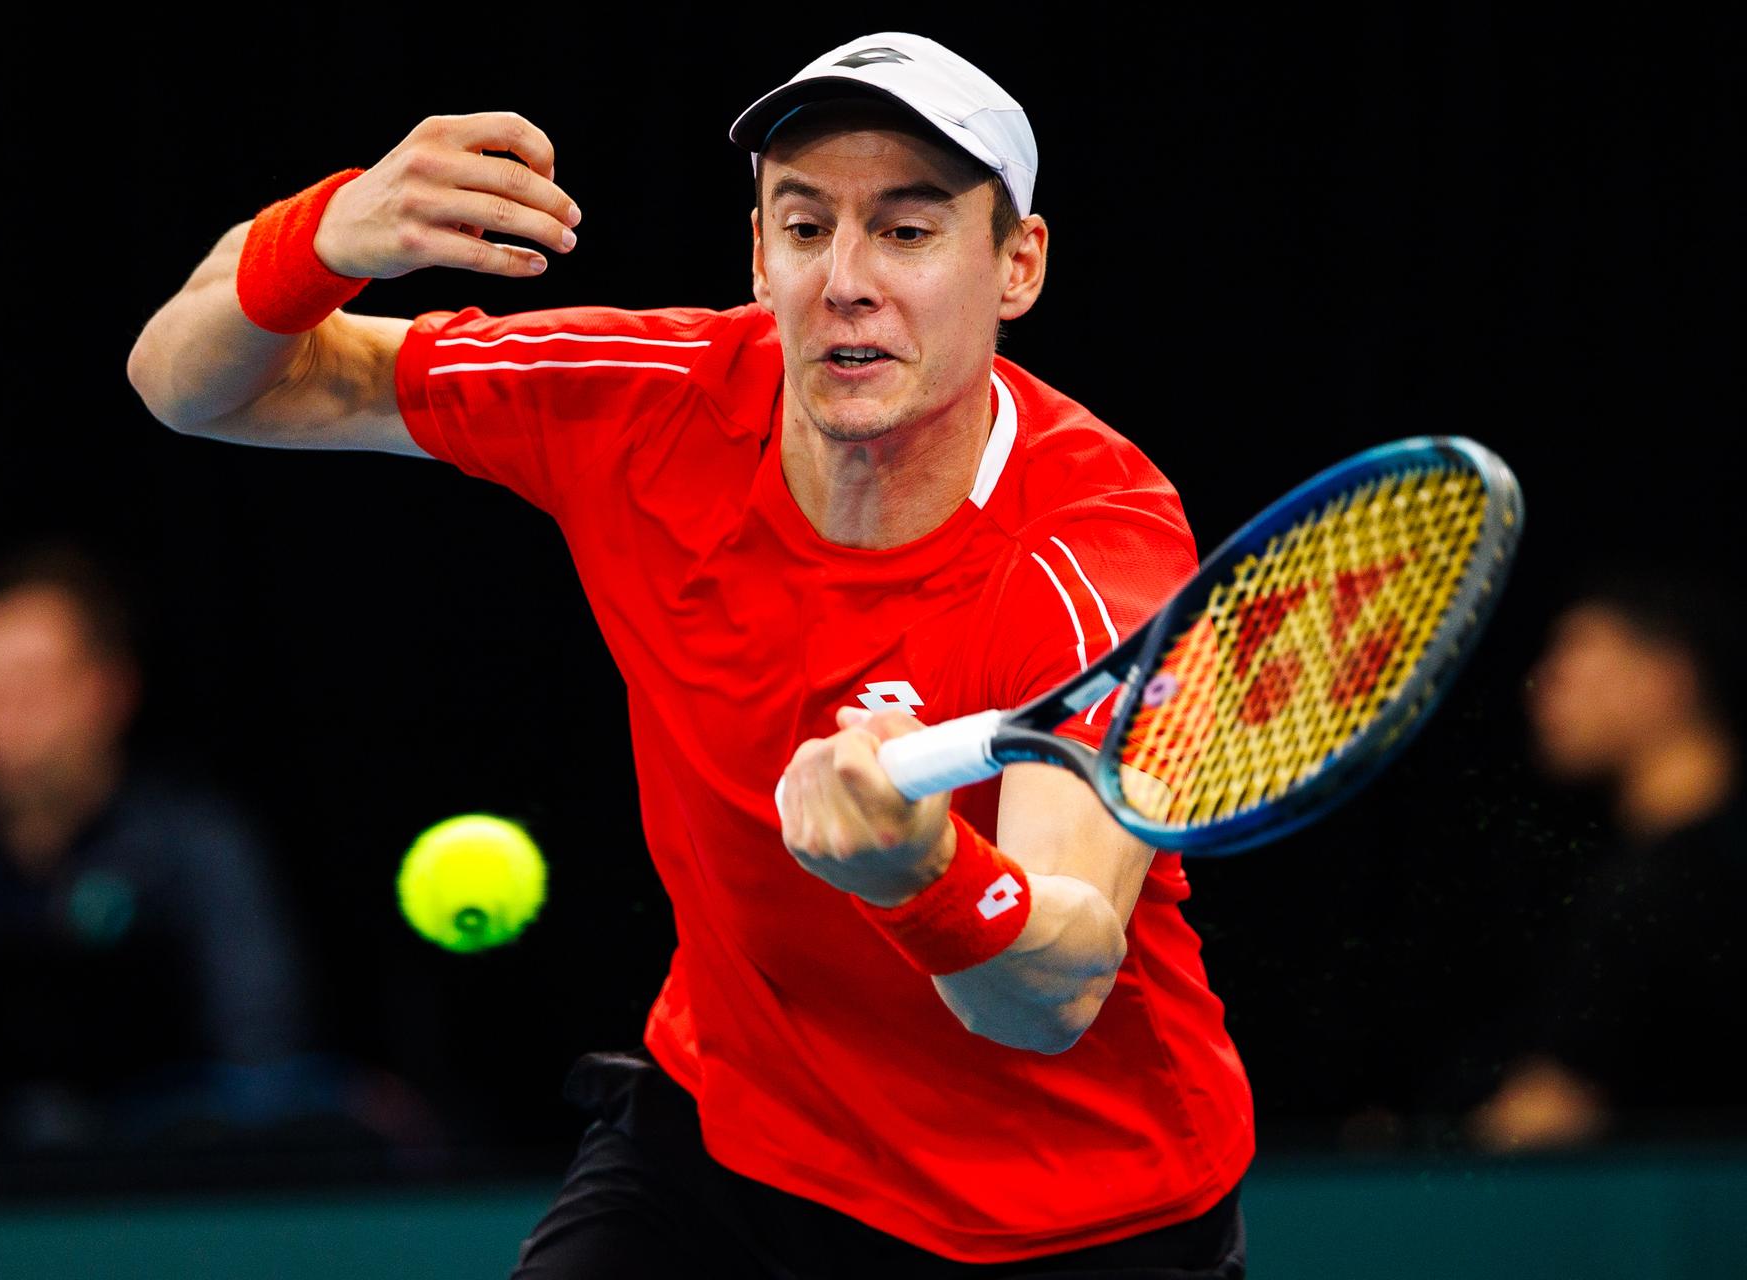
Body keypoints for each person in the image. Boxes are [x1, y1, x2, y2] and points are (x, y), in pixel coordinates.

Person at [128, 33, 1251, 1276]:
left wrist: (919, 874)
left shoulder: (1094, 547)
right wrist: (333, 230)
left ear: (1017, 265)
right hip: (731, 1147)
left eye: (910, 231)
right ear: (759, 251)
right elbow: (191, 383)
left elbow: (1059, 983)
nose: (847, 280)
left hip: (1072, 1216)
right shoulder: (648, 399)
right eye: (806, 225)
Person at [0, 546, 313, 1157]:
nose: (0, 716)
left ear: (111, 689)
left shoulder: (200, 855)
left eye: (29, 685)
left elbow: (265, 1076)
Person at [1466, 572, 1744, 1151]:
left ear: (1668, 679)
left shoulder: (1666, 890)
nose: (1540, 689)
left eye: (1571, 667)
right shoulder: (1633, 873)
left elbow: (1551, 1111)